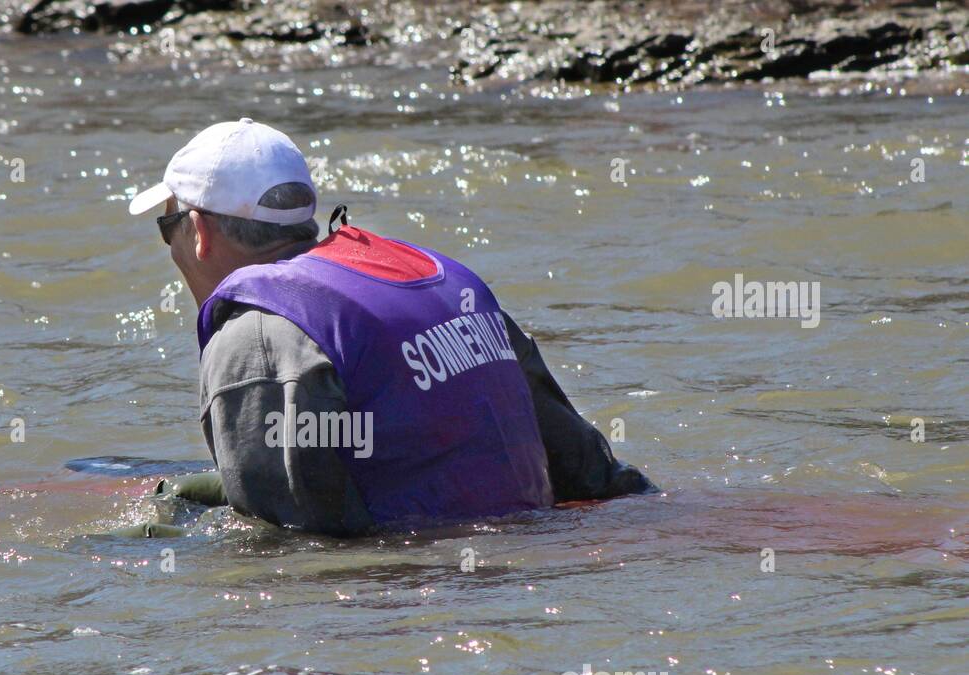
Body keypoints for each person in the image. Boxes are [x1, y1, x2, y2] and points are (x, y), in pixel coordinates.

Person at [129, 118, 654, 536]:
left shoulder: (259, 337)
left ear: (198, 231)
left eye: (165, 227)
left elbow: (292, 549)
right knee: (180, 496)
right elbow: (588, 469)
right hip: (523, 568)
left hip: (421, 599)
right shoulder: (444, 280)